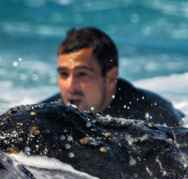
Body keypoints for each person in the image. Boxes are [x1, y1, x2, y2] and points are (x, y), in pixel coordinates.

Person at [42, 27, 184, 126]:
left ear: (110, 78)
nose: (70, 86)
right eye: (64, 74)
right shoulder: (47, 113)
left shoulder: (153, 115)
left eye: (82, 74)